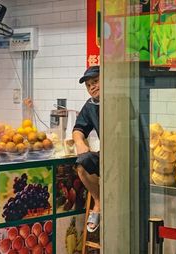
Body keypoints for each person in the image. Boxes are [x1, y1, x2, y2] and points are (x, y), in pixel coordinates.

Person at [73, 65, 100, 233]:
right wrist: (80, 143)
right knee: (82, 164)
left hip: (126, 156)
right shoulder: (90, 105)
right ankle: (98, 202)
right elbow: (78, 129)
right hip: (106, 155)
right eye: (89, 85)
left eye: (96, 81)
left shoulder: (122, 99)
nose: (92, 87)